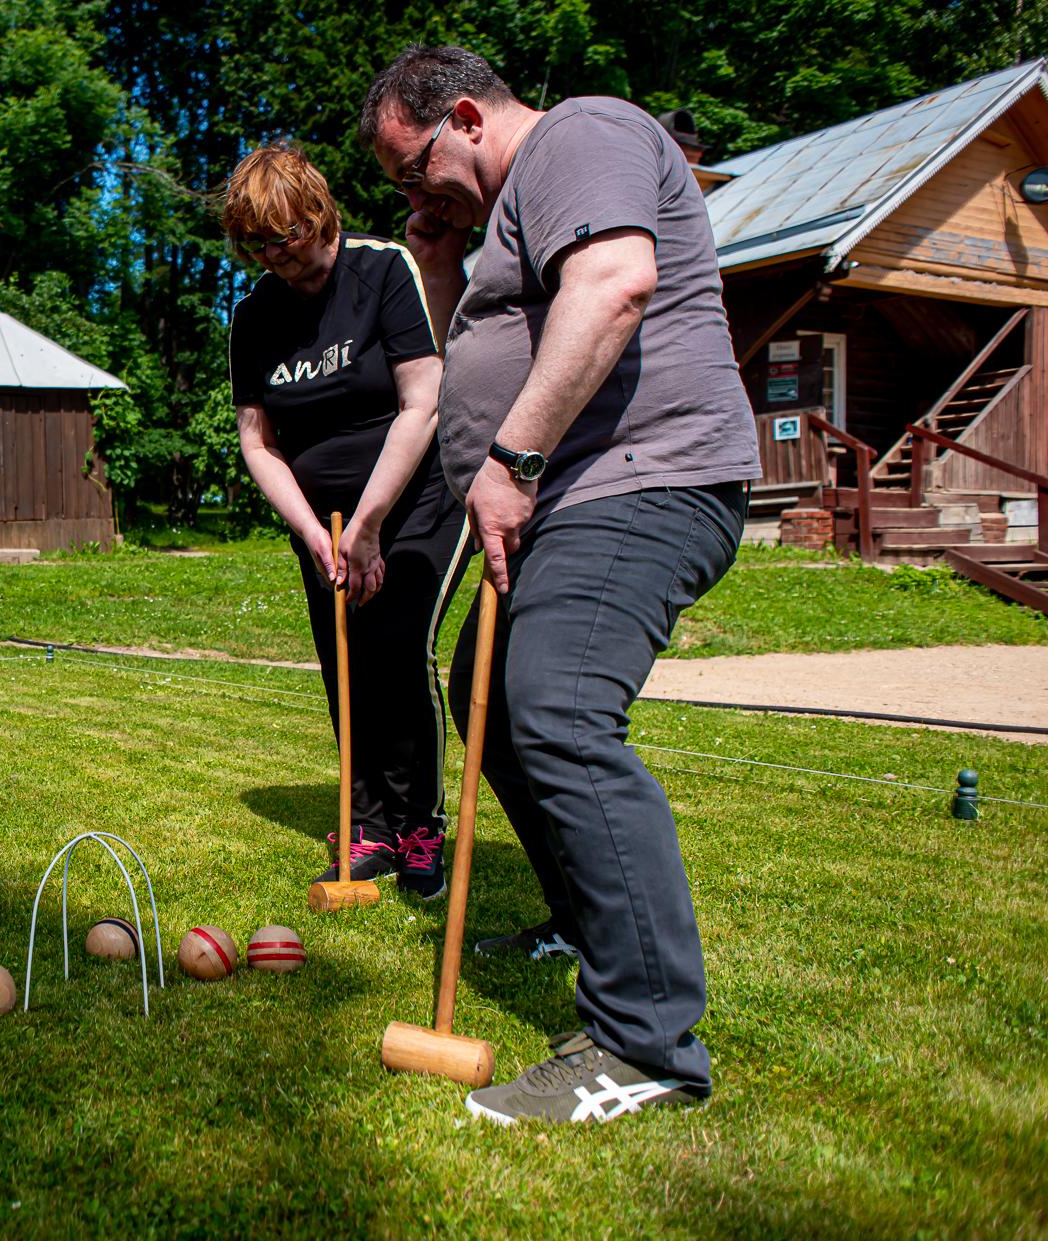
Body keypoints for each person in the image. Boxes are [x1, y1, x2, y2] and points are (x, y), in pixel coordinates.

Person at [361, 46, 760, 1122]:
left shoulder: (580, 135)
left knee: (557, 709)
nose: (416, 194)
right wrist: (442, 259)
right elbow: (492, 349)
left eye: (415, 171)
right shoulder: (502, 212)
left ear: (462, 116)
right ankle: (584, 918)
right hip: (564, 500)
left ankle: (645, 1041)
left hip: (639, 481)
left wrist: (515, 459)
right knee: (482, 707)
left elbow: (615, 284)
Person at [223, 144, 468, 900]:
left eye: (286, 237)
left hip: (415, 495)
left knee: (397, 646)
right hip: (322, 520)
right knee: (346, 662)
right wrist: (312, 530)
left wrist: (367, 525)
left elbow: (422, 401)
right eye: (258, 244)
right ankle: (369, 825)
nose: (275, 257)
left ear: (318, 214)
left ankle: (418, 821)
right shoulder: (255, 314)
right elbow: (257, 440)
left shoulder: (381, 269)